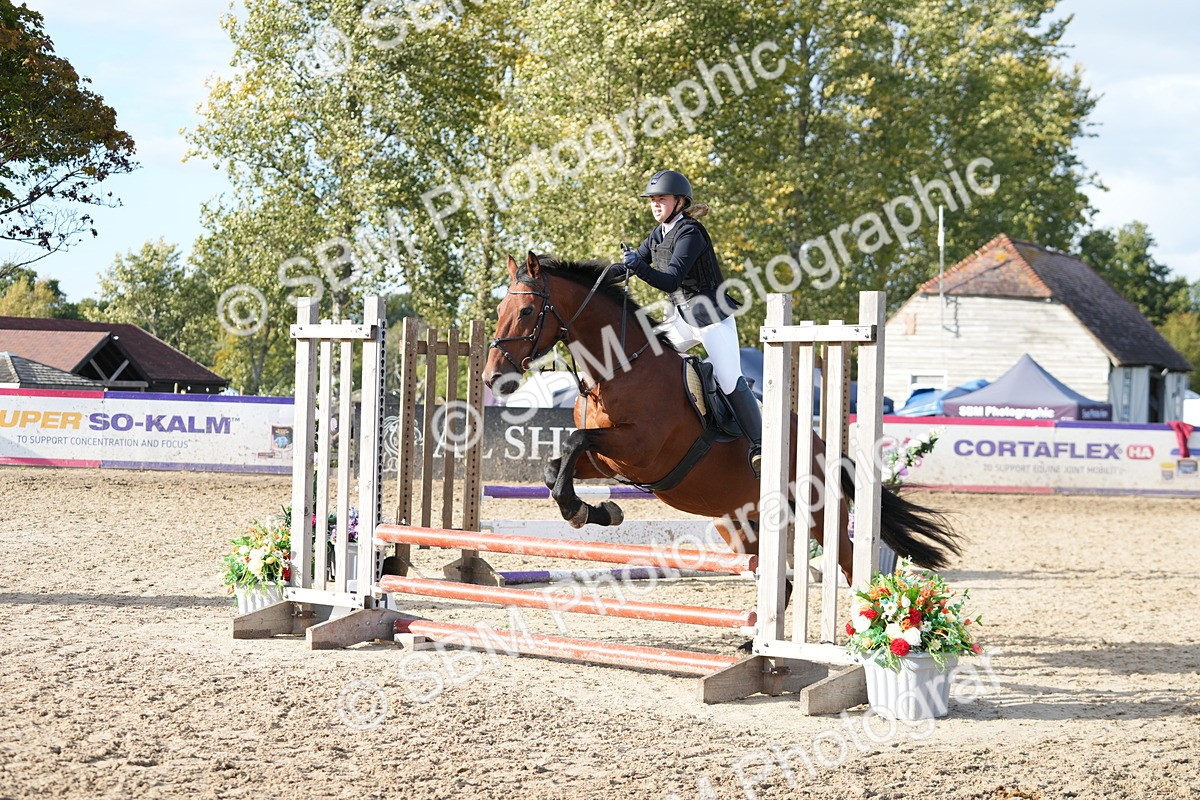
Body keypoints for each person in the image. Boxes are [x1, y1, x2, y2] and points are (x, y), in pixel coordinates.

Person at [621, 169, 762, 476]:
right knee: (645, 354)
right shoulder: (657, 234)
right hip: (681, 319)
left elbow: (671, 280)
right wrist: (600, 277)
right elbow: (633, 265)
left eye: (662, 199)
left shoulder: (690, 232)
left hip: (710, 318)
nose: (656, 205)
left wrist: (637, 267)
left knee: (728, 378)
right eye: (653, 200)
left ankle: (760, 446)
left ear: (679, 202)